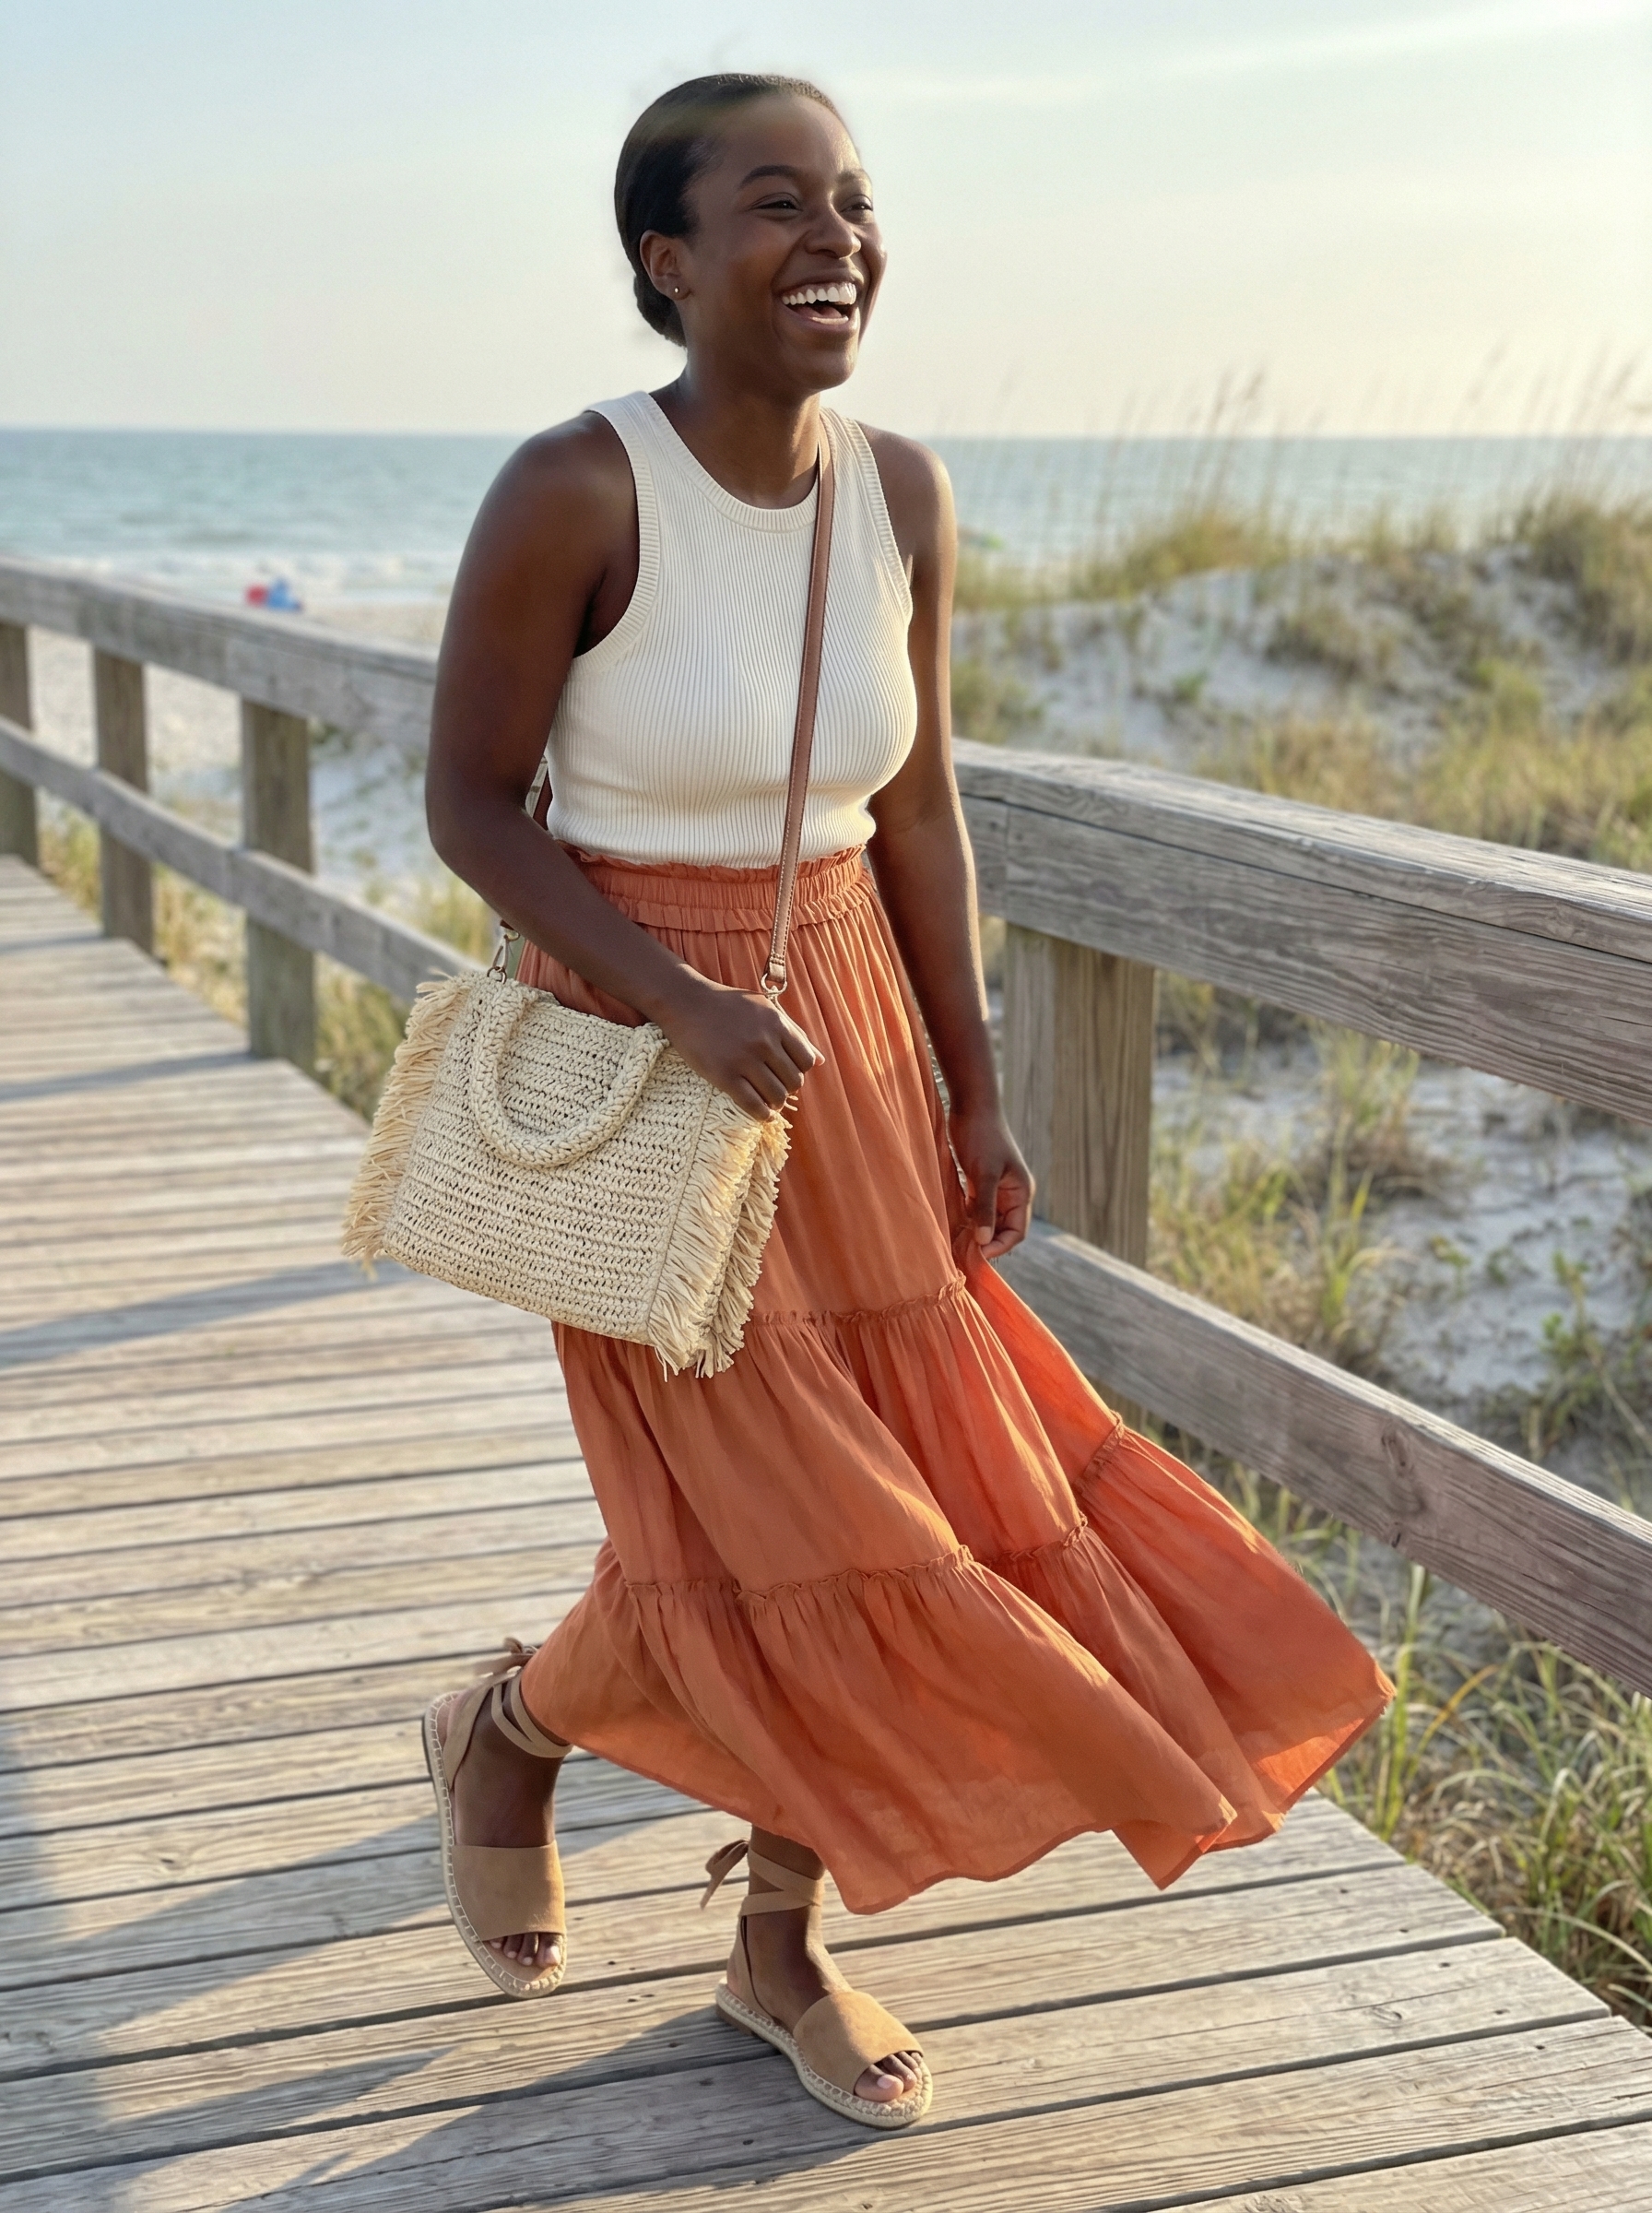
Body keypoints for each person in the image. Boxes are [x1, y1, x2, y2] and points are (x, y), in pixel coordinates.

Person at [419, 71, 1391, 2130]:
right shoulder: (572, 491)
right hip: (643, 1053)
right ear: (667, 262)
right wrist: (673, 999)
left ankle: (758, 1925)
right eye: (777, 202)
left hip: (849, 1041)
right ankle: (520, 1730)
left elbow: (918, 810)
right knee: (772, 1522)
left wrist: (978, 1085)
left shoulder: (903, 493)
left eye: (854, 199)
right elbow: (468, 809)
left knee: (907, 1501)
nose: (837, 235)